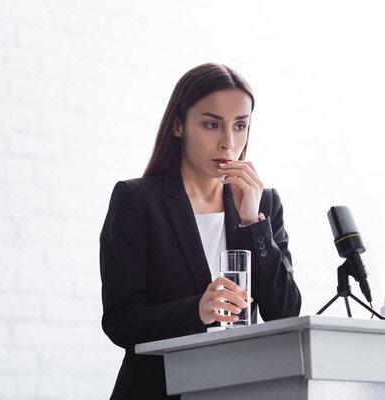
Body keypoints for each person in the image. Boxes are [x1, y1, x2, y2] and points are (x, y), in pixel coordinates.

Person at [99, 62, 302, 399]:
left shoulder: (263, 203)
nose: (228, 143)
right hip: (157, 390)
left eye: (240, 126)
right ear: (178, 125)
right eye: (212, 125)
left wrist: (254, 222)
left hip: (240, 389)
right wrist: (197, 310)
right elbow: (121, 322)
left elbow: (285, 312)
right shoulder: (136, 200)